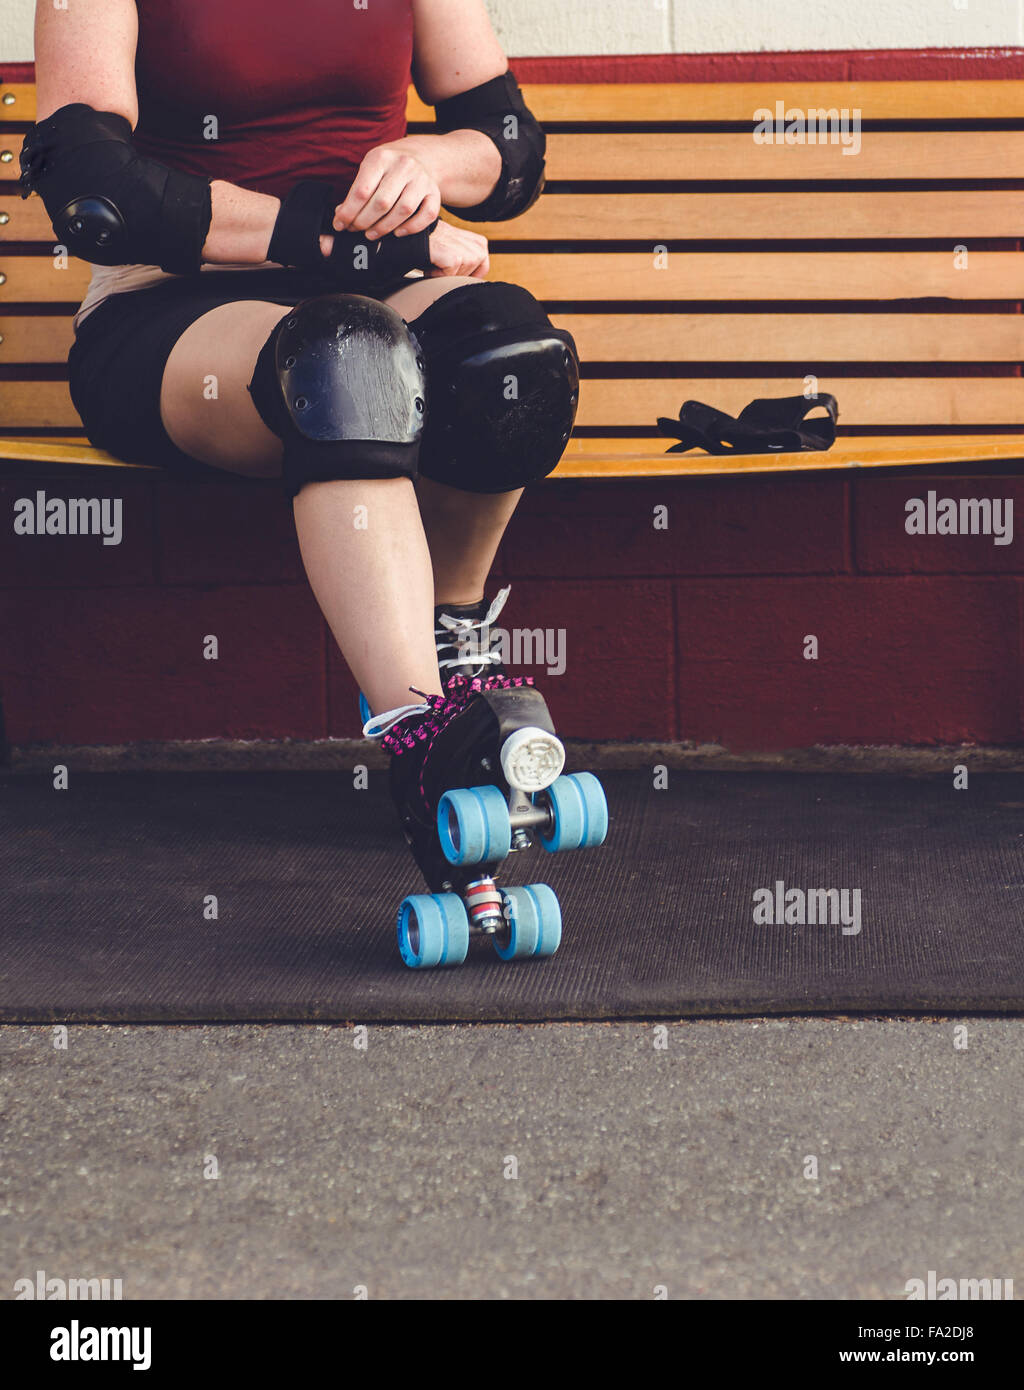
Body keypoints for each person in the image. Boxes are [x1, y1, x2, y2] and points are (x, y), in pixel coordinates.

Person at [23, 0, 596, 962]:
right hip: (173, 313)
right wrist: (339, 241)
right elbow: (95, 189)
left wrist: (429, 164)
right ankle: (419, 733)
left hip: (373, 283)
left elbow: (510, 149)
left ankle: (452, 646)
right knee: (348, 360)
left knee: (511, 355)